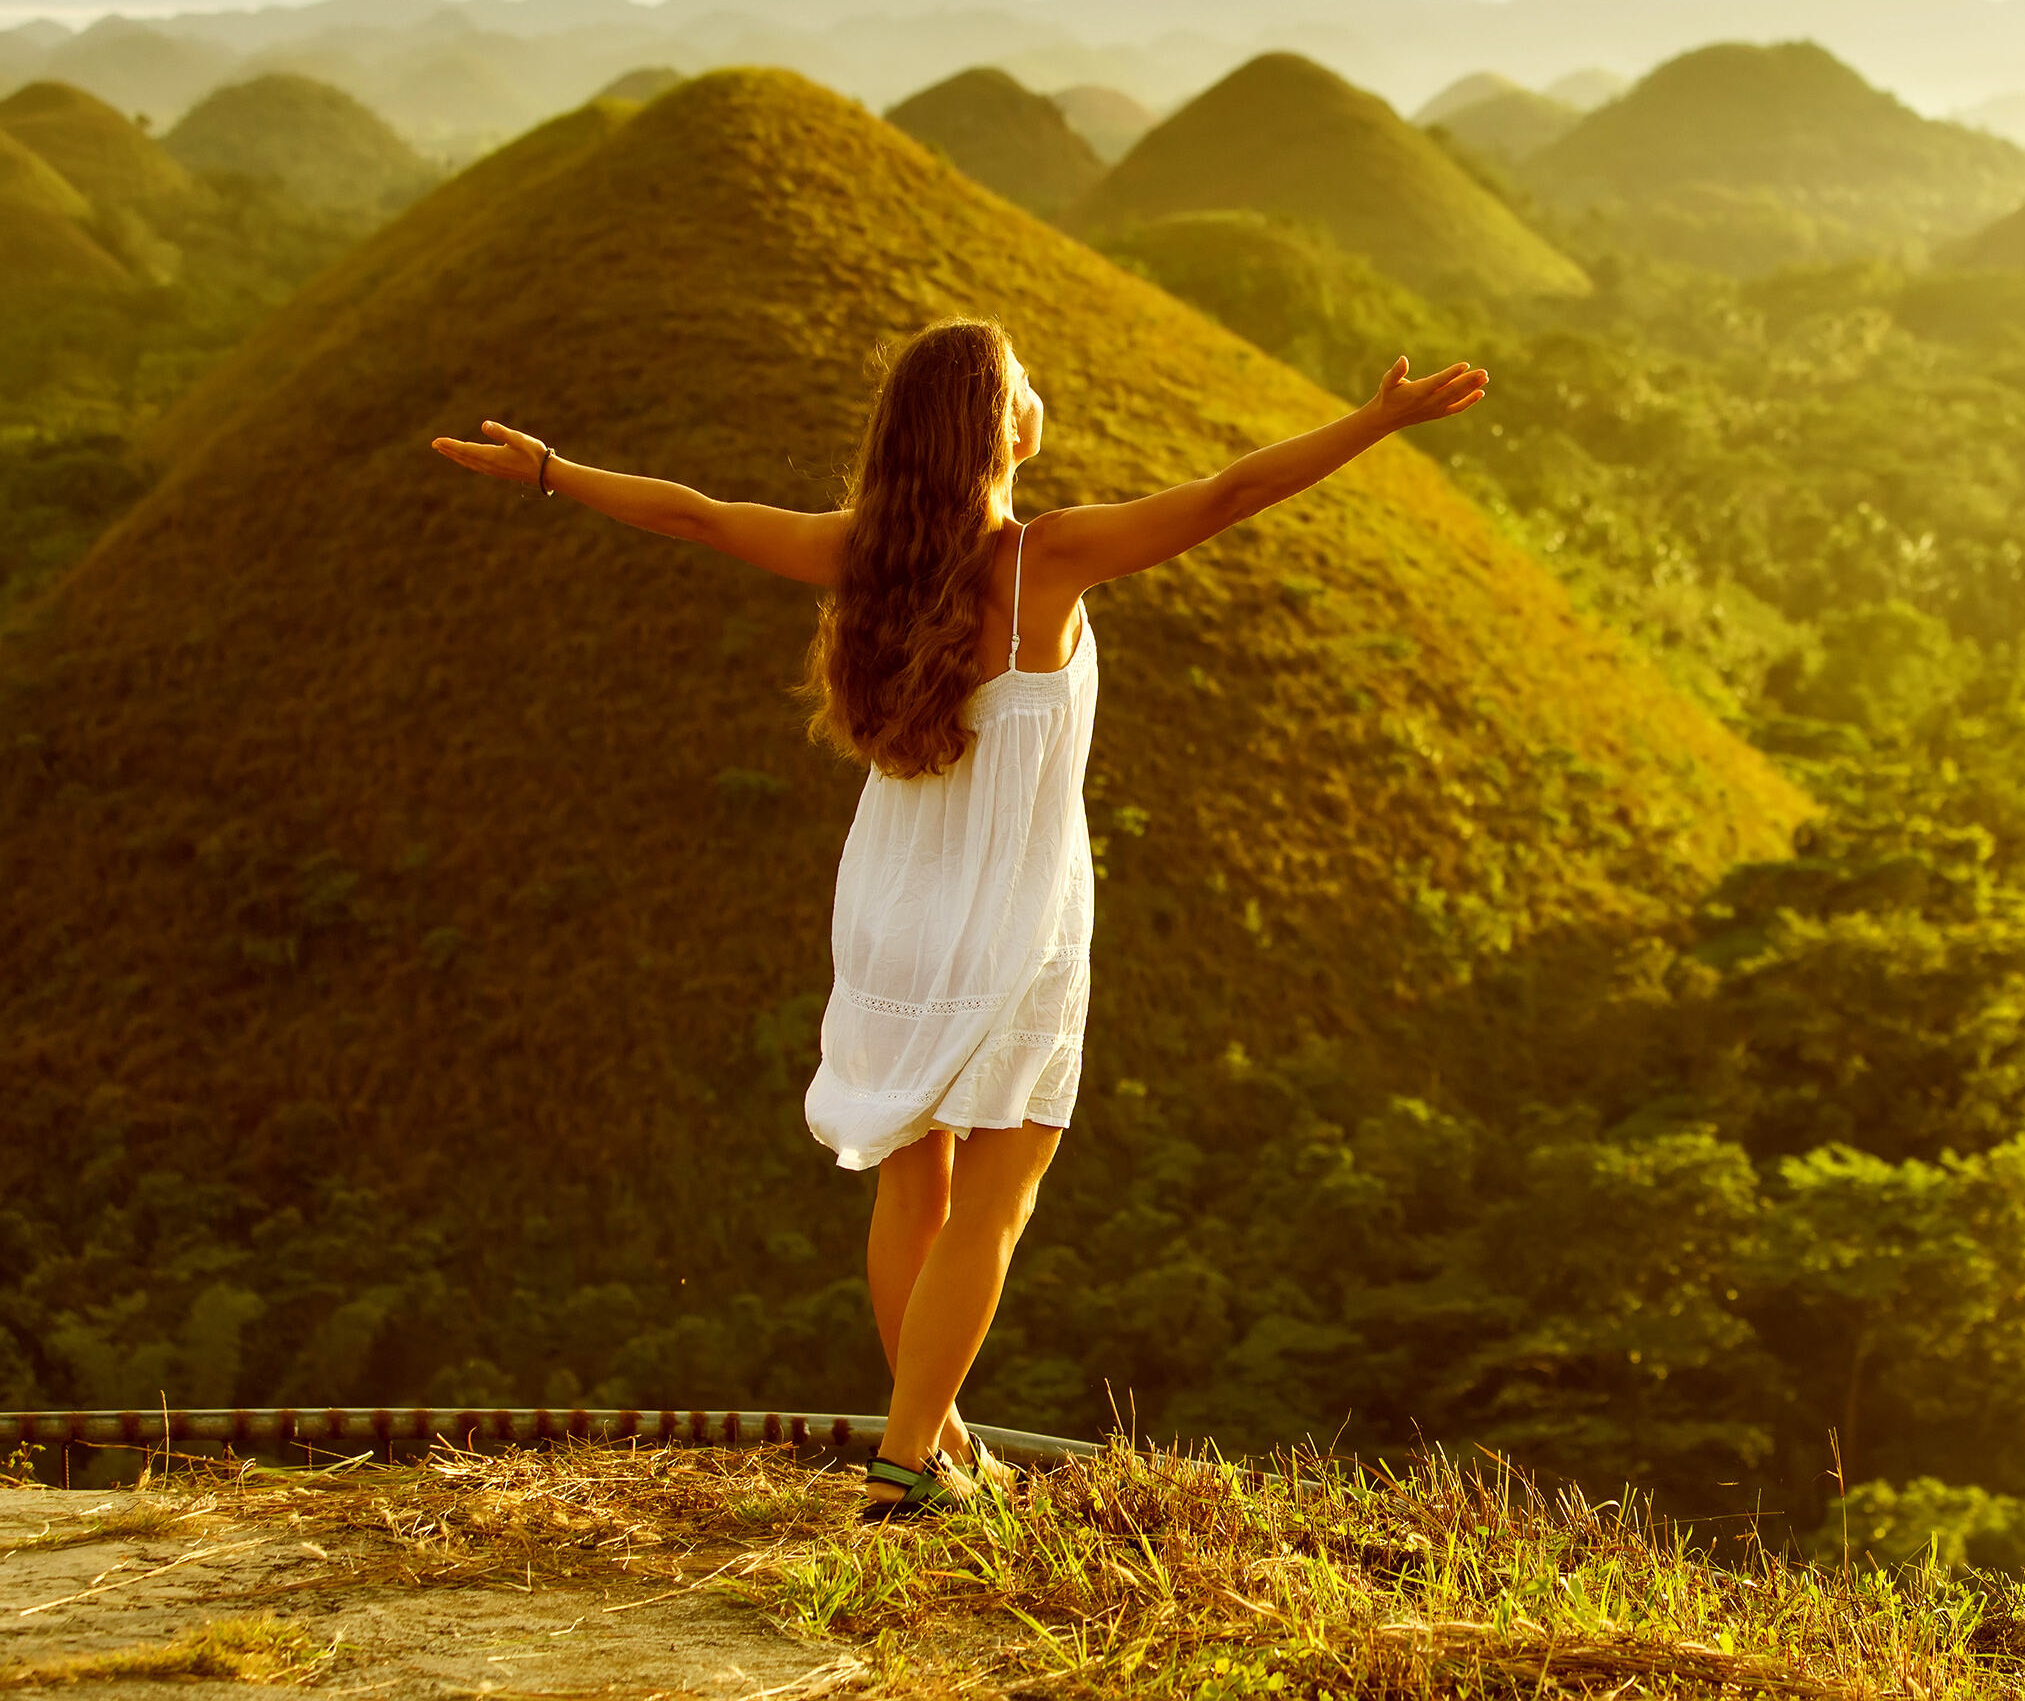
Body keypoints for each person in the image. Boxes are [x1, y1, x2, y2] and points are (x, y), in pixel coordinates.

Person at [432, 317, 1486, 1517]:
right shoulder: (1051, 556)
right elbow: (1235, 488)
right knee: (996, 1198)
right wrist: (1378, 421)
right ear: (1007, 428)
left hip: (889, 902)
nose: (1044, 393)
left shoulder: (863, 557)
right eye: (1029, 382)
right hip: (1013, 916)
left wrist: (555, 471)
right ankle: (905, 1461)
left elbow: (700, 515)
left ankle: (933, 1446)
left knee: (910, 1186)